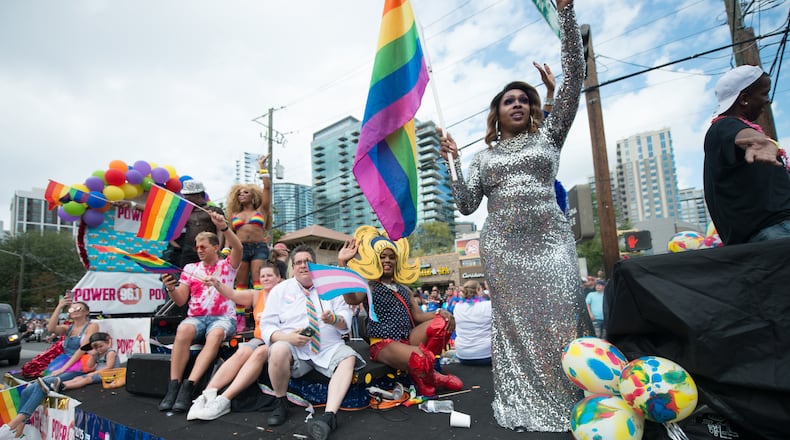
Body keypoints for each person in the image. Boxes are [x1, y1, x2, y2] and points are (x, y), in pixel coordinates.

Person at [439, 0, 589, 432]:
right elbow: (466, 204)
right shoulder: (484, 158)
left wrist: (565, 14)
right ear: (498, 112)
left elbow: (576, 77)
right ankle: (525, 404)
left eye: (525, 99)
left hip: (551, 242)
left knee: (564, 315)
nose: (519, 104)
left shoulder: (549, 137)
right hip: (503, 248)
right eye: (510, 100)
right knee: (517, 326)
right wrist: (453, 161)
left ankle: (574, 397)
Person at [337, 226, 462, 398]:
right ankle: (429, 375)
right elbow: (352, 299)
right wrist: (343, 265)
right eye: (382, 256)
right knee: (420, 357)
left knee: (443, 322)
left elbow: (418, 316)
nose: (387, 260)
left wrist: (441, 312)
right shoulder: (369, 286)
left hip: (407, 338)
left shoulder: (404, 289)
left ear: (397, 260)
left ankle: (424, 370)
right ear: (375, 259)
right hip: (383, 343)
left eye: (391, 257)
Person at [260, 245, 364, 440]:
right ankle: (280, 403)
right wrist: (288, 338)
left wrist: (334, 319)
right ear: (292, 267)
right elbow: (267, 326)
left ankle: (329, 416)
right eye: (298, 262)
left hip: (327, 347)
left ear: (315, 264)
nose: (303, 265)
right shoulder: (280, 290)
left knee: (348, 358)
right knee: (278, 349)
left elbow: (345, 321)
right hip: (295, 349)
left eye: (307, 261)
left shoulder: (331, 288)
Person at [158, 210, 243, 413]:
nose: (199, 250)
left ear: (216, 247)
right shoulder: (190, 268)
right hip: (196, 317)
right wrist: (171, 288)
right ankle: (173, 387)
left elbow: (238, 247)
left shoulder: (227, 266)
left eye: (203, 247)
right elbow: (181, 299)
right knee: (182, 331)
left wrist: (224, 227)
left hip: (223, 318)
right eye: (197, 247)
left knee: (215, 335)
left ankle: (189, 387)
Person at [704, 64, 790, 245]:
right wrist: (760, 141)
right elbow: (742, 134)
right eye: (764, 93)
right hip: (774, 230)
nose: (767, 100)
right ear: (744, 99)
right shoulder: (723, 126)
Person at [186, 262, 282, 421]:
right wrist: (216, 283)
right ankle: (207, 394)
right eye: (262, 276)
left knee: (259, 353)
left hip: (276, 340)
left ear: (279, 278)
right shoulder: (256, 295)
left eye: (269, 275)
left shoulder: (286, 295)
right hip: (259, 338)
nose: (265, 279)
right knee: (243, 350)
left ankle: (224, 399)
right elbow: (232, 294)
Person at [3, 298, 98, 437]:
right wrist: (59, 306)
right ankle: (19, 429)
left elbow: (82, 349)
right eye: (72, 309)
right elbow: (51, 329)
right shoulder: (68, 328)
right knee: (26, 391)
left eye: (79, 309)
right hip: (64, 361)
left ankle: (14, 424)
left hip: (80, 364)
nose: (75, 311)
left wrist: (64, 368)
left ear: (86, 312)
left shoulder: (92, 326)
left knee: (44, 384)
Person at [225, 154, 272, 290]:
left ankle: (260, 304)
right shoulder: (234, 214)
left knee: (259, 281)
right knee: (241, 282)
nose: (242, 195)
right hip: (240, 248)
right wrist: (227, 248)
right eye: (239, 193)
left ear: (253, 196)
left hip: (259, 247)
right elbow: (229, 232)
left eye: (245, 192)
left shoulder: (262, 210)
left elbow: (267, 188)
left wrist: (262, 166)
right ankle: (241, 305)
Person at [165, 180, 226, 268]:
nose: (185, 198)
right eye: (185, 195)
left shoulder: (214, 211)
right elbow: (169, 226)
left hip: (209, 249)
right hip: (189, 251)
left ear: (198, 195)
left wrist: (218, 249)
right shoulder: (185, 212)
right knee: (187, 274)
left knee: (209, 273)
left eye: (188, 195)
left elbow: (221, 231)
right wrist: (177, 246)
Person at [42, 332, 120, 392]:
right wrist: (93, 356)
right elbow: (90, 365)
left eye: (101, 346)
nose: (99, 349)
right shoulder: (97, 353)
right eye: (96, 348)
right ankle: (58, 385)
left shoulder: (110, 353)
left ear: (107, 343)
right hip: (99, 373)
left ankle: (64, 386)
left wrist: (94, 373)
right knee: (78, 378)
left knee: (86, 379)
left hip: (109, 374)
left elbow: (109, 367)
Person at [453, 281, 492, 366]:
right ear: (478, 290)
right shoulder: (488, 305)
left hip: (463, 355)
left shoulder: (457, 307)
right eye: (481, 289)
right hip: (486, 354)